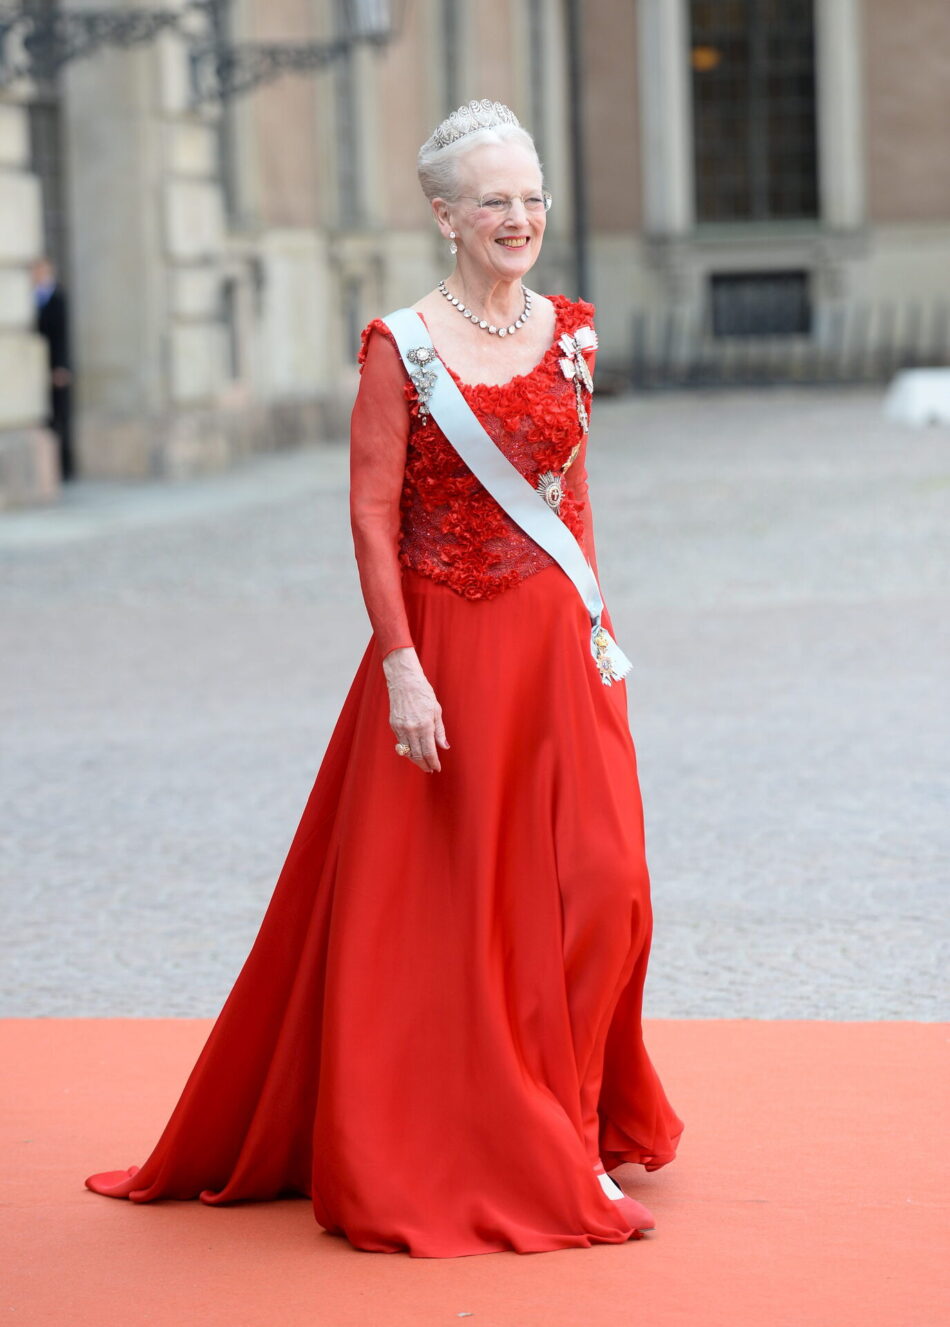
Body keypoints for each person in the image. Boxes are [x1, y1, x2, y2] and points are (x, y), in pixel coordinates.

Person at [85, 99, 684, 1258]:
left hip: (560, 650)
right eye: (494, 200)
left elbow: (569, 496)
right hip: (446, 653)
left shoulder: (570, 331)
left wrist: (599, 627)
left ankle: (563, 1105)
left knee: (606, 885)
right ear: (444, 214)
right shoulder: (398, 346)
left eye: (531, 195)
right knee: (462, 909)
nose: (519, 217)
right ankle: (526, 1137)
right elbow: (368, 514)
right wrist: (404, 668)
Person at [31, 256, 75, 481]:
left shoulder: (57, 299)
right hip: (37, 368)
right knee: (45, 418)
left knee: (60, 416)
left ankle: (66, 467)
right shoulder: (32, 298)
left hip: (56, 367)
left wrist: (61, 366)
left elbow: (63, 337)